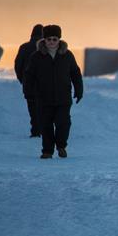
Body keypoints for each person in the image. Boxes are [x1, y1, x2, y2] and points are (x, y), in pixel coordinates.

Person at [23, 25, 83, 159]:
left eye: (54, 39)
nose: (51, 42)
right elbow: (29, 75)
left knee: (63, 123)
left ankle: (61, 146)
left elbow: (75, 73)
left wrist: (79, 90)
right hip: (43, 98)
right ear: (44, 40)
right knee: (46, 125)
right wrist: (28, 92)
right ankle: (47, 151)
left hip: (63, 98)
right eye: (48, 39)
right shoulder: (37, 56)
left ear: (59, 40)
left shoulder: (67, 55)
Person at [15, 24, 44, 137]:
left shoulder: (24, 47)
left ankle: (35, 129)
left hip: (28, 85)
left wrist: (22, 80)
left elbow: (18, 66)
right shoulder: (45, 48)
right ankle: (41, 128)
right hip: (43, 85)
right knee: (42, 107)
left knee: (32, 108)